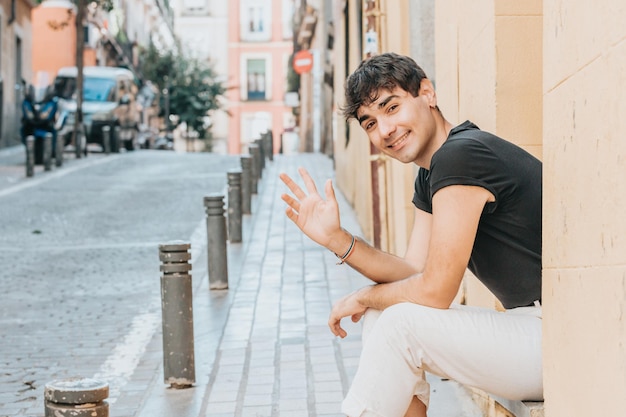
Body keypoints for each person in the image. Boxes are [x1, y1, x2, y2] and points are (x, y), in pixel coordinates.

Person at [279, 52, 542, 417]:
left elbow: (435, 290)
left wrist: (366, 295)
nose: (384, 130)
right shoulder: (433, 172)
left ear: (427, 94)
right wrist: (337, 239)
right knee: (385, 315)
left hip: (561, 338)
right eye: (369, 123)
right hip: (530, 330)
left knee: (397, 323)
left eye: (391, 108)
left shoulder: (461, 157)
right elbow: (414, 272)